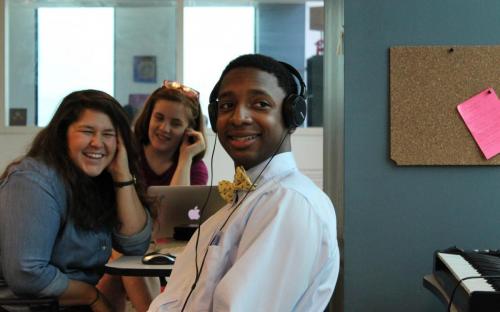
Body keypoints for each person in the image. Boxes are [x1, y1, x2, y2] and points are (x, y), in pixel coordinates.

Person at [148, 54, 339, 312]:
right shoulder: (240, 204)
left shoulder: (289, 203)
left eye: (260, 104)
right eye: (226, 106)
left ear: (292, 115)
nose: (239, 117)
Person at [0, 89, 152, 311]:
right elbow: (27, 273)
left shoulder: (97, 179)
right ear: (62, 134)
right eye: (87, 131)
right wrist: (91, 296)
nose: (97, 143)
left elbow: (135, 245)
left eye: (108, 134)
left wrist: (123, 176)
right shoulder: (33, 181)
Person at [97, 80, 208, 312]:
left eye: (176, 123)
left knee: (124, 269)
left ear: (189, 131)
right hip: (116, 243)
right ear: (148, 117)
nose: (164, 128)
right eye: (159, 118)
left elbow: (174, 219)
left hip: (166, 247)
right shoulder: (125, 156)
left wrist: (185, 159)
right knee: (129, 260)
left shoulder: (195, 167)